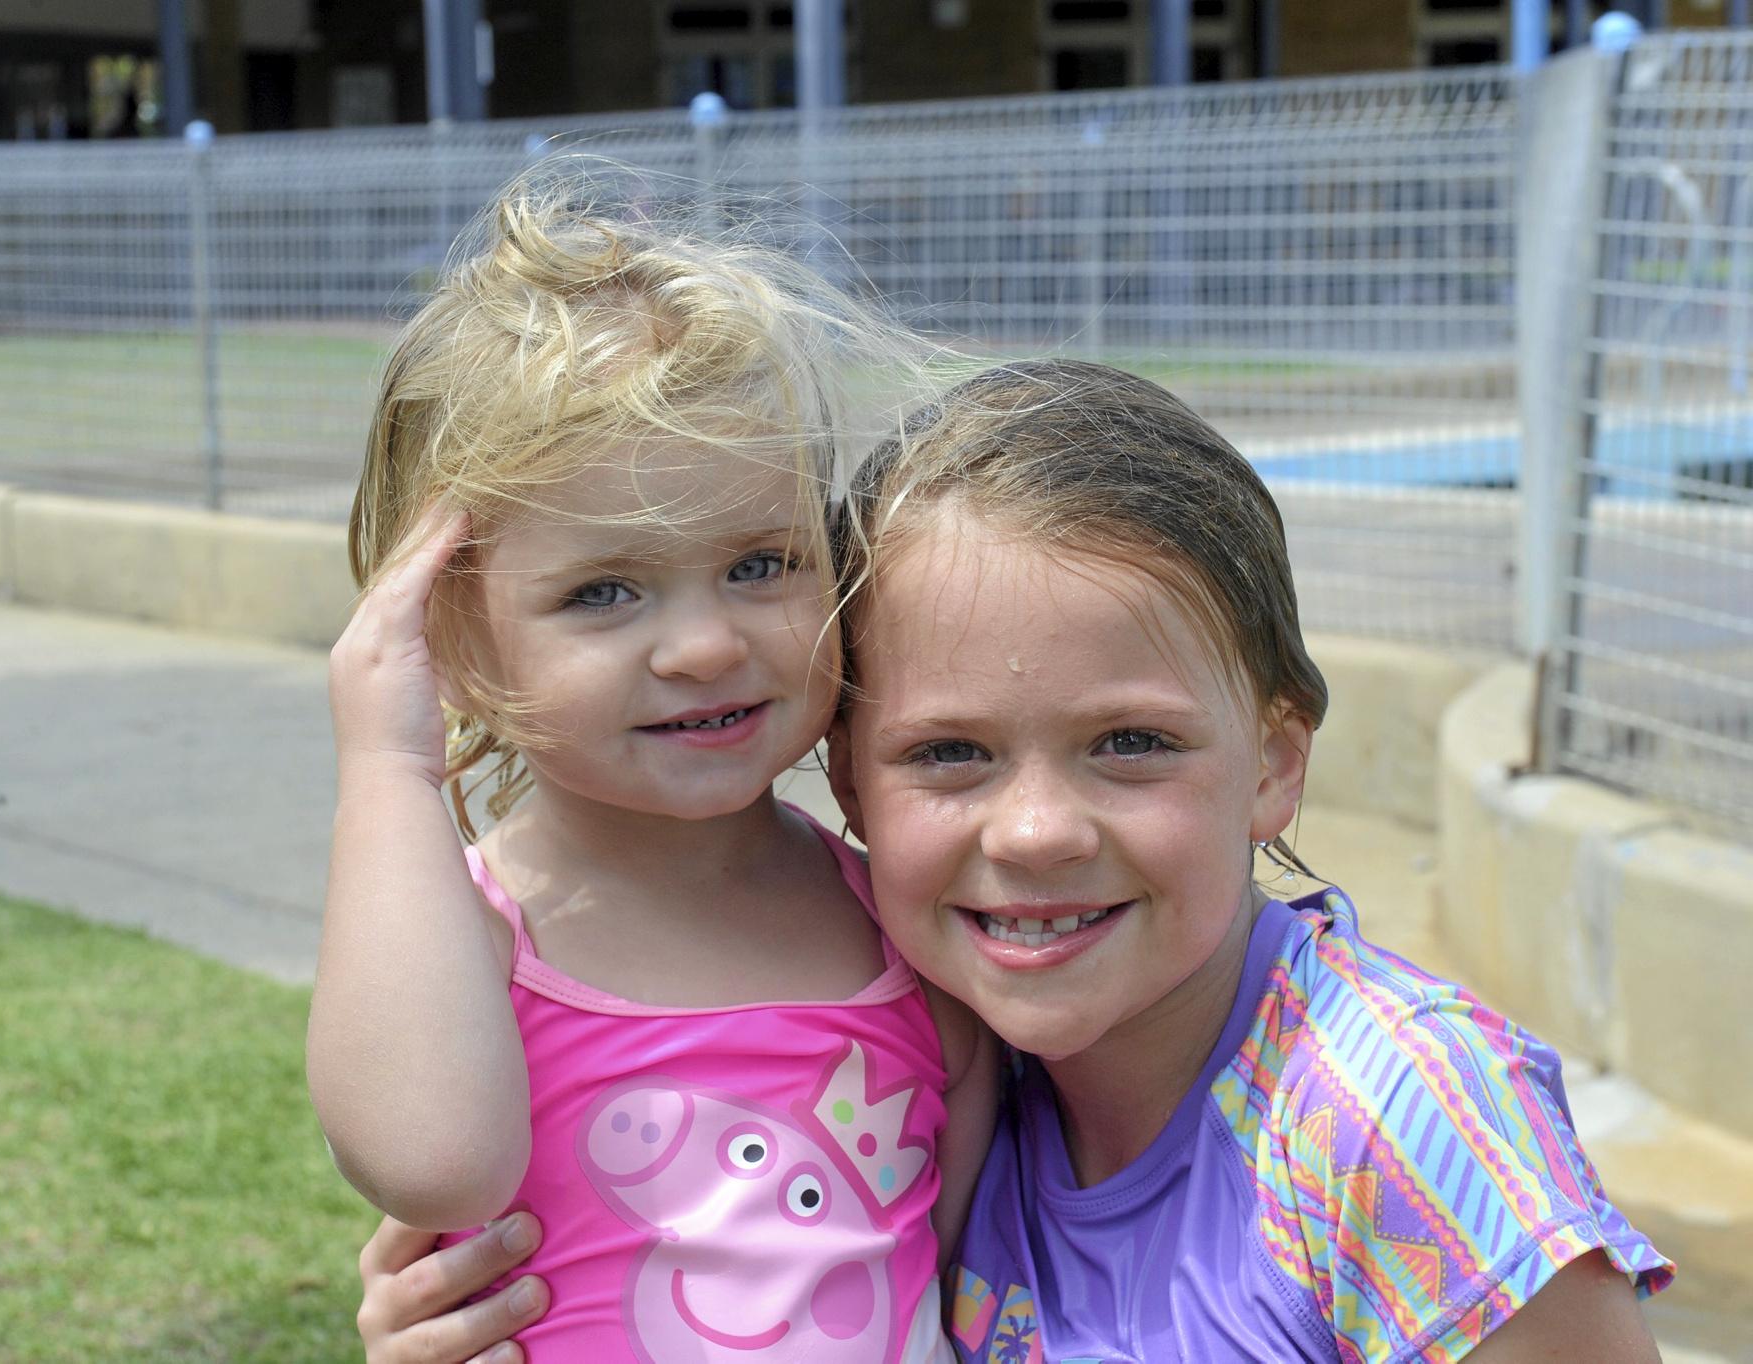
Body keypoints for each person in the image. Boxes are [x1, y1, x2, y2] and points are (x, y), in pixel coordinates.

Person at [358, 359, 1673, 1363]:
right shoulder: (937, 1082)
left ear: (1274, 762)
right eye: (950, 757)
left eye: (1131, 743)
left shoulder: (1399, 1119)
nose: (1038, 832)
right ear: (850, 781)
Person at [308, 173, 999, 1364]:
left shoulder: (904, 917)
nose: (704, 645)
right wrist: (385, 763)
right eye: (605, 590)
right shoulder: (467, 936)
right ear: (455, 638)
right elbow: (430, 1160)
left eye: (760, 562)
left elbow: (966, 1275)